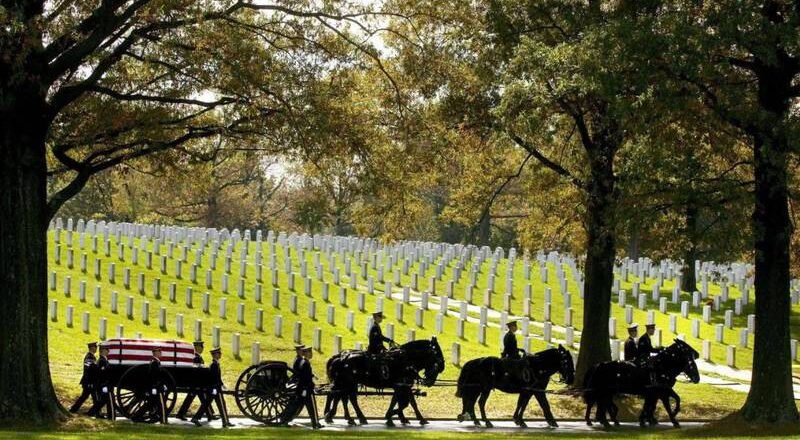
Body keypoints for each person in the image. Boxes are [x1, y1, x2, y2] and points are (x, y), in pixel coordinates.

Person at [280, 345, 321, 428]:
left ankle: (284, 420)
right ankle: (315, 424)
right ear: (306, 353)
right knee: (311, 407)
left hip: (302, 388)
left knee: (297, 406)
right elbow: (304, 377)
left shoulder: (304, 362)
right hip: (306, 389)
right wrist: (307, 388)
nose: (311, 354)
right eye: (310, 352)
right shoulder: (305, 363)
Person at [192, 347, 231, 427]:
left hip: (216, 388)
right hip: (215, 389)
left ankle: (225, 422)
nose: (220, 354)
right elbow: (213, 378)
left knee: (211, 404)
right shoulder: (214, 365)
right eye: (219, 353)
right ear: (215, 355)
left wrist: (222, 384)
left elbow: (217, 377)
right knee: (217, 404)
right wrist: (214, 388)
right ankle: (225, 422)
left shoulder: (216, 364)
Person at [177, 341, 209, 420]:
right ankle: (181, 414)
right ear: (197, 348)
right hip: (196, 383)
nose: (203, 348)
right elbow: (197, 372)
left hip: (197, 383)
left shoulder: (198, 357)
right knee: (203, 399)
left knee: (202, 399)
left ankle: (210, 415)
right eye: (201, 347)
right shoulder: (196, 358)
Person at [69, 342, 98, 413]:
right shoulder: (89, 357)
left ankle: (73, 409)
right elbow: (88, 371)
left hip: (89, 381)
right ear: (92, 348)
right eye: (95, 347)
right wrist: (90, 382)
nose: (96, 349)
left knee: (87, 397)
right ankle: (94, 412)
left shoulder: (92, 356)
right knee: (90, 397)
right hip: (88, 381)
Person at [87, 345, 114, 420]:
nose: (108, 351)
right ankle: (92, 412)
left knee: (103, 401)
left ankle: (93, 413)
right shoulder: (102, 361)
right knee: (103, 400)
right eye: (107, 350)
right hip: (103, 385)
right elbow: (102, 374)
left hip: (103, 384)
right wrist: (105, 384)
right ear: (103, 351)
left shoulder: (104, 360)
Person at [149, 348, 168, 424]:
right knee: (162, 405)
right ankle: (163, 420)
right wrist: (154, 387)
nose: (161, 353)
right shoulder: (154, 363)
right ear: (155, 353)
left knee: (155, 404)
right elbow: (153, 376)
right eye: (159, 352)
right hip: (157, 387)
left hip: (157, 387)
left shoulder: (156, 362)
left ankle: (155, 417)